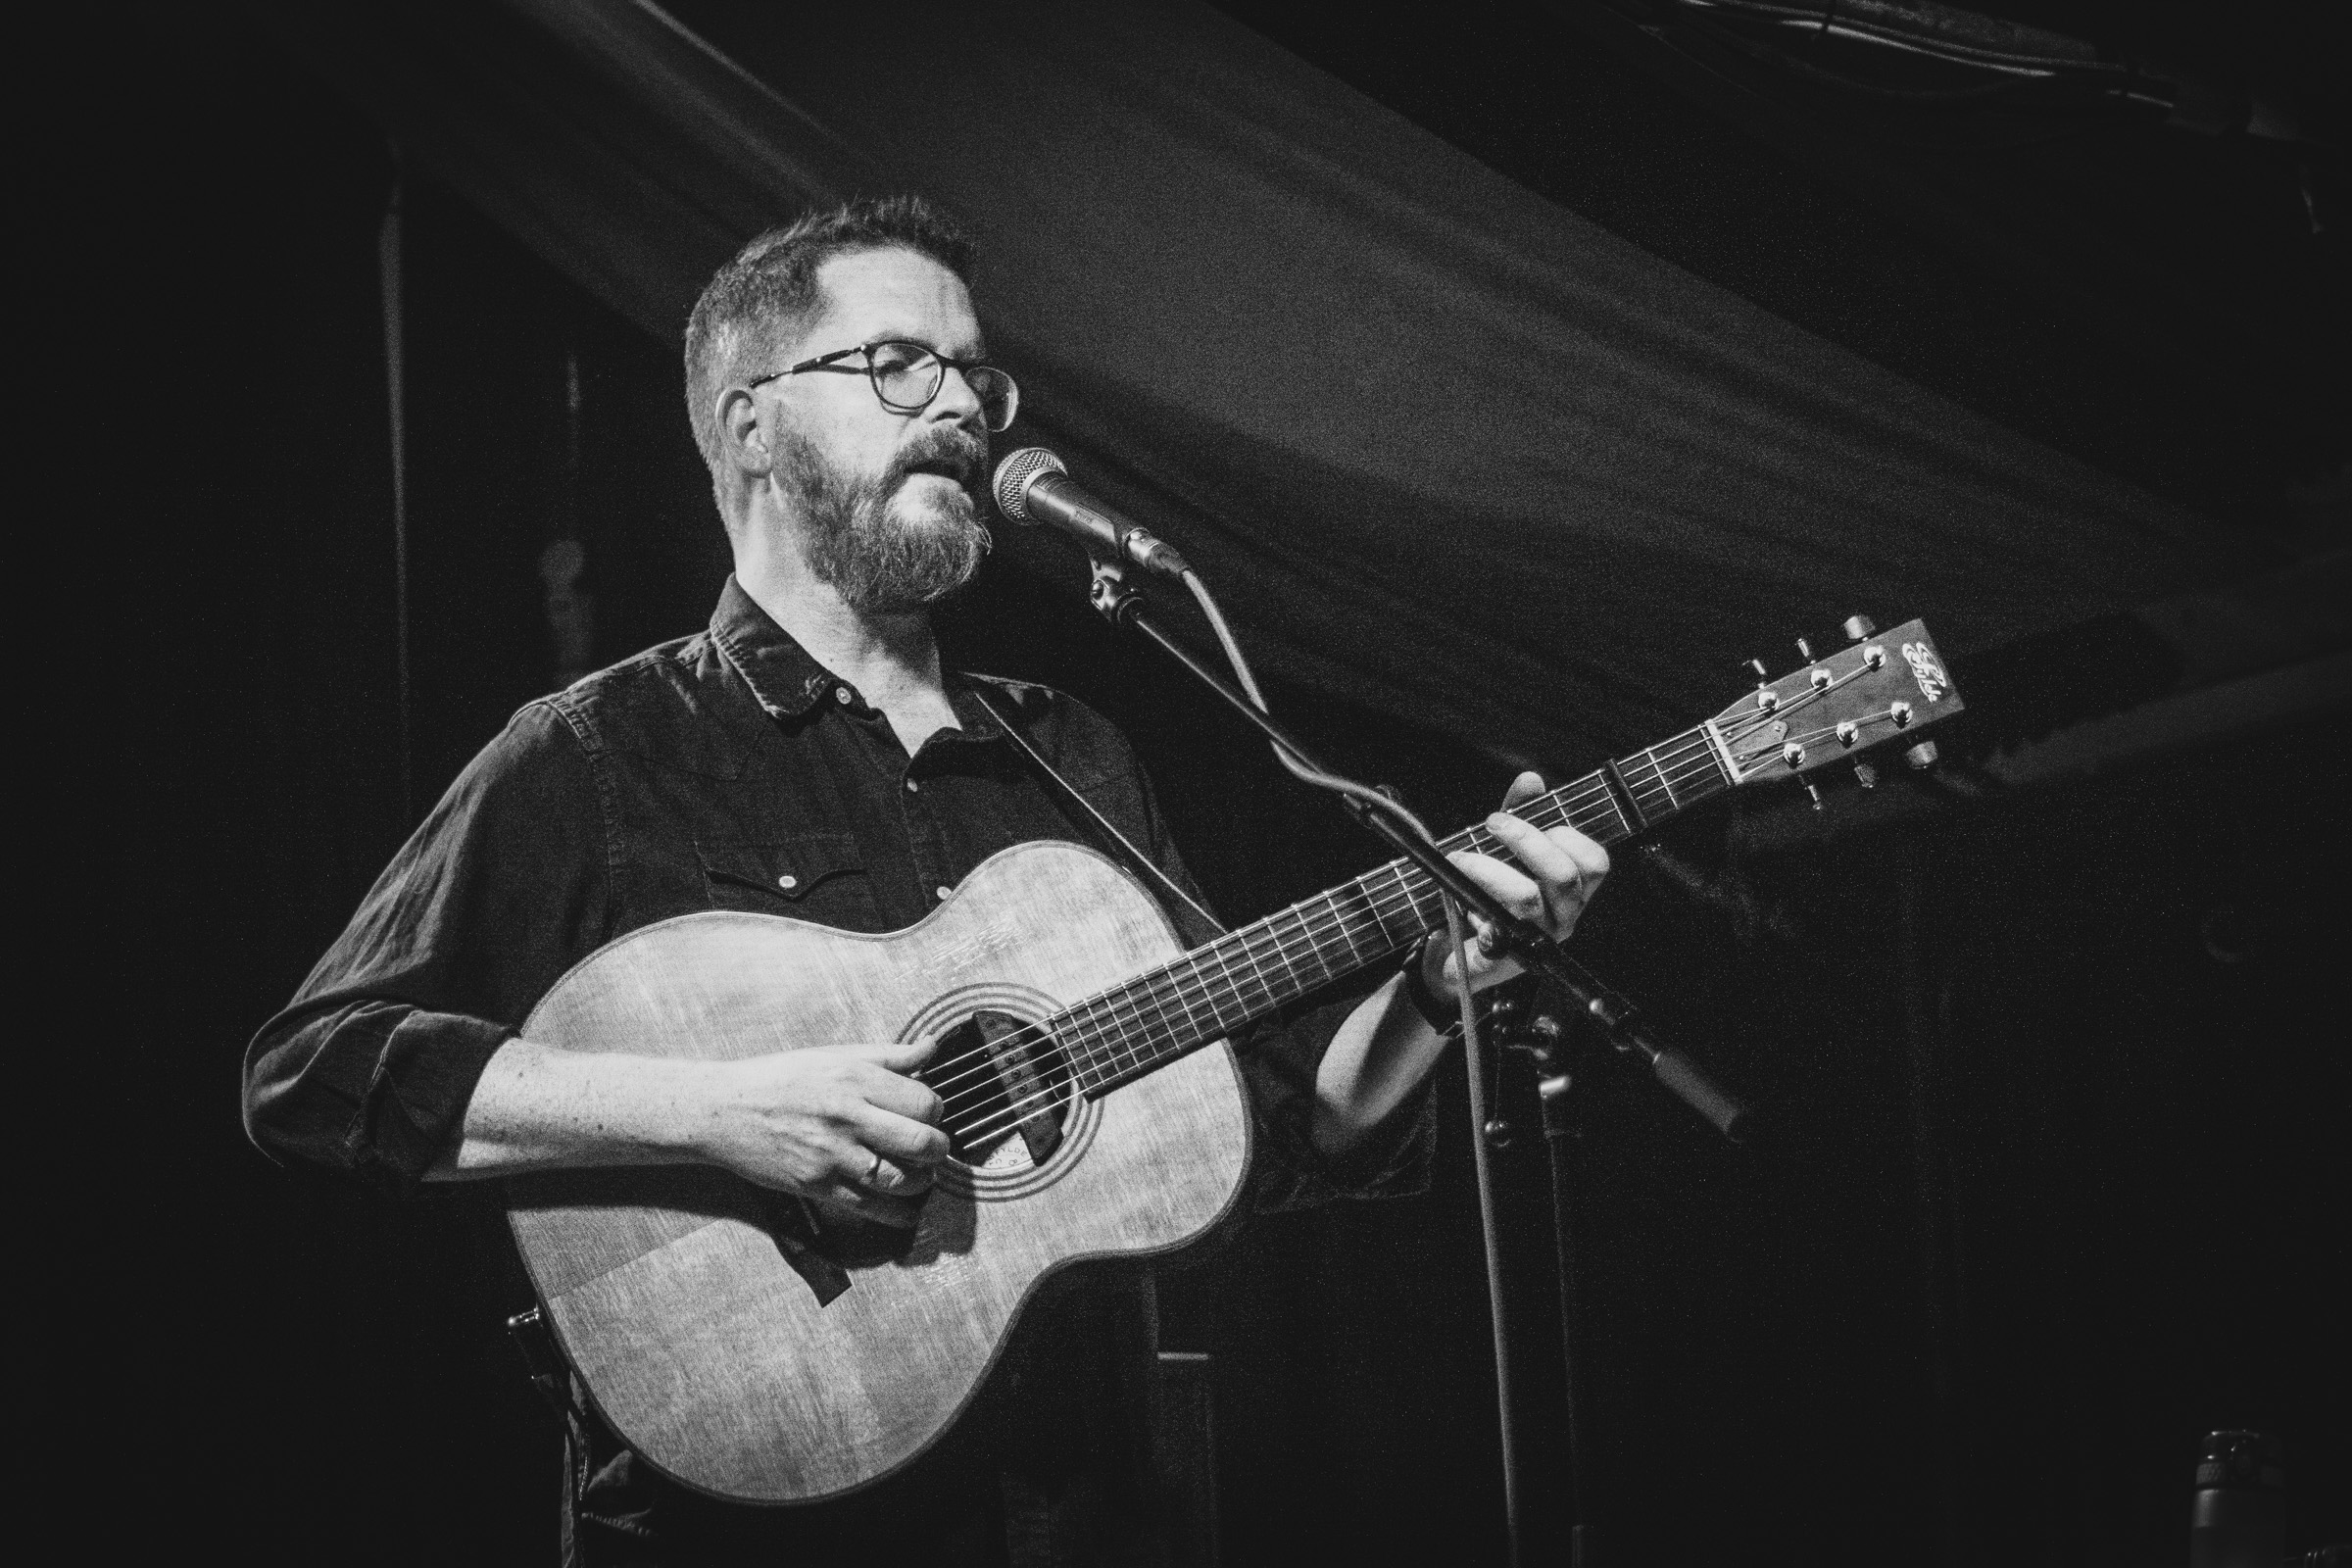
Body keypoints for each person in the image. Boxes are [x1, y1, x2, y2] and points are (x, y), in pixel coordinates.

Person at [243, 195, 1611, 1564]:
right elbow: (318, 1075)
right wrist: (726, 1109)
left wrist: (1439, 982)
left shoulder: (1069, 754)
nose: (960, 403)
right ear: (750, 423)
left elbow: (1289, 1121)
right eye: (898, 362)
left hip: (1087, 1520)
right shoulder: (600, 753)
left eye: (973, 372)